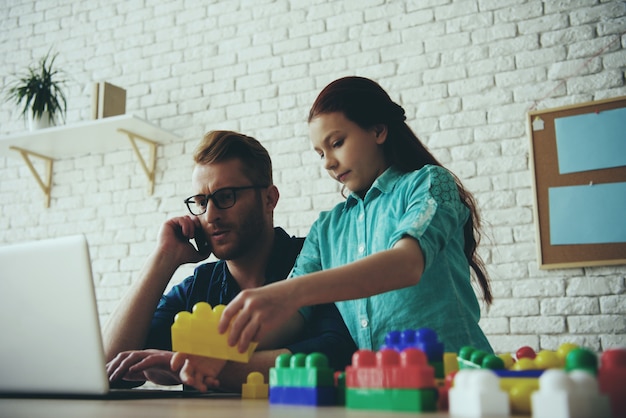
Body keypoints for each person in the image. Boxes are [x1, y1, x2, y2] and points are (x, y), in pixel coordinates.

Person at [217, 76, 495, 357]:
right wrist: (219, 353)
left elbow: (407, 263)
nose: (328, 162)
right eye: (320, 153)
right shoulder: (326, 228)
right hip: (383, 392)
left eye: (337, 142)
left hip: (463, 384)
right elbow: (292, 317)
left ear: (378, 130)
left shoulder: (428, 184)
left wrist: (291, 292)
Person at [104, 130, 356, 392]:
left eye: (226, 197)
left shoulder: (317, 260)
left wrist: (194, 368)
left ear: (269, 199)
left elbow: (335, 355)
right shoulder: (198, 287)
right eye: (201, 202)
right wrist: (163, 258)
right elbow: (112, 370)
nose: (211, 216)